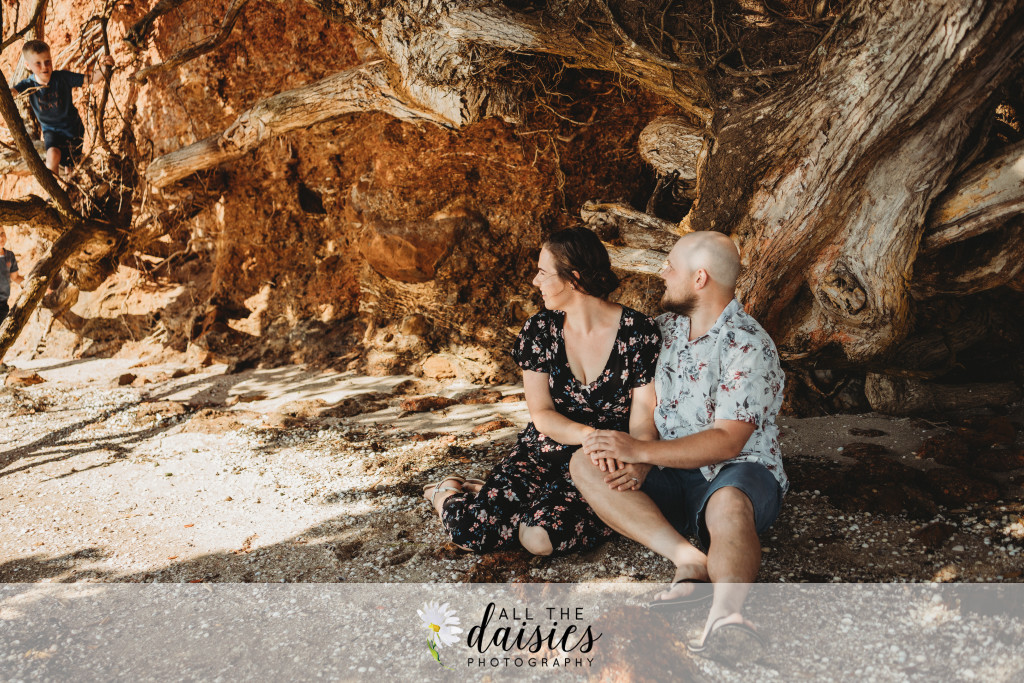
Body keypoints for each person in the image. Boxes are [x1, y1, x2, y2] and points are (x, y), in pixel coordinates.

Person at [571, 231, 786, 663]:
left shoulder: (748, 344)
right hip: (668, 469)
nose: (663, 272)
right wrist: (641, 455)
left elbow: (727, 441)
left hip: (736, 472)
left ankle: (726, 617)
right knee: (586, 462)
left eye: (671, 265)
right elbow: (644, 402)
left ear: (700, 278)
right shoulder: (664, 330)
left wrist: (640, 453)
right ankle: (689, 559)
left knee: (728, 506)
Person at [423, 226, 662, 556]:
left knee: (542, 537)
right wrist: (591, 435)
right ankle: (444, 492)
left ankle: (505, 503)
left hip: (601, 462)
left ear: (573, 279)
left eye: (543, 272)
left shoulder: (639, 332)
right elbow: (542, 414)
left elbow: (643, 419)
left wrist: (639, 460)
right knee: (472, 532)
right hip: (544, 450)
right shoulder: (540, 330)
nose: (535, 281)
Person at [12, 40, 113, 175]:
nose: (44, 67)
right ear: (27, 65)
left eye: (47, 61)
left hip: (73, 129)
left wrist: (105, 66)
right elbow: (11, 93)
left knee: (70, 167)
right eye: (38, 63)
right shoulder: (28, 85)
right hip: (50, 130)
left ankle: (69, 179)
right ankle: (52, 186)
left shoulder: (62, 78)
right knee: (52, 155)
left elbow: (91, 79)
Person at [1, 228, 23, 326]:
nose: (1, 238)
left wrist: (34, 282)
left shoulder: (9, 256)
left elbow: (15, 277)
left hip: (3, 305)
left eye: (2, 233)